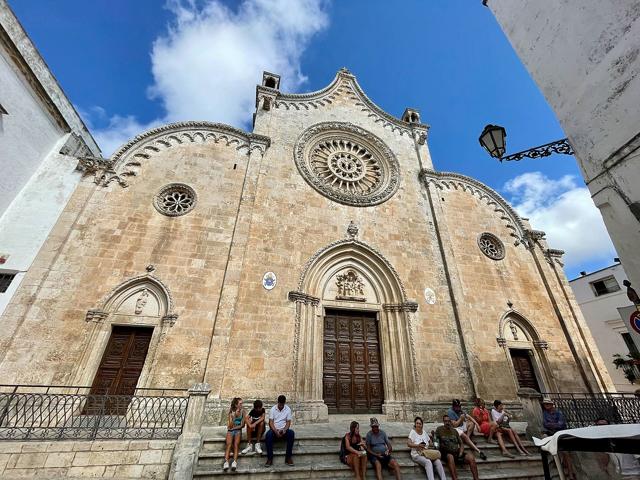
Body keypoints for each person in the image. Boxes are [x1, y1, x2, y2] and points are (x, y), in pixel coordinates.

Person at [434, 415, 479, 480]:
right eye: (445, 421)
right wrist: (437, 450)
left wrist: (461, 452)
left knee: (471, 457)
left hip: (456, 452)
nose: (447, 422)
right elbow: (436, 442)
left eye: (448, 421)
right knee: (450, 456)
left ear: (450, 422)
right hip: (446, 453)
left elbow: (461, 444)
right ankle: (455, 478)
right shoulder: (439, 429)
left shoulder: (454, 431)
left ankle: (476, 478)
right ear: (443, 422)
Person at [541, 397, 575, 480]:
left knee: (566, 453)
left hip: (561, 433)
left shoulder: (558, 413)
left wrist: (551, 425)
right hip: (551, 434)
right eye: (545, 404)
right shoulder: (545, 413)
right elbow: (545, 424)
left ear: (552, 404)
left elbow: (561, 424)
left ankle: (570, 473)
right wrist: (553, 425)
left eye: (548, 404)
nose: (546, 406)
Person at [407, 416, 446, 480]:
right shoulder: (413, 432)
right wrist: (418, 445)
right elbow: (408, 444)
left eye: (420, 424)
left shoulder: (424, 432)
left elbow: (430, 442)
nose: (418, 425)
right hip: (417, 454)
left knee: (438, 461)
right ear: (415, 424)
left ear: (422, 425)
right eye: (417, 423)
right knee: (428, 462)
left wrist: (433, 442)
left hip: (427, 453)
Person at [264, 395, 295, 467]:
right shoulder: (273, 409)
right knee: (268, 435)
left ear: (284, 403)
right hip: (274, 430)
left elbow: (288, 422)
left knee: (291, 433)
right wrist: (275, 431)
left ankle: (288, 458)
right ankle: (270, 459)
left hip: (283, 430)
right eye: (280, 404)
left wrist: (284, 430)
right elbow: (271, 422)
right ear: (278, 402)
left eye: (282, 404)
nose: (281, 406)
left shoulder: (288, 409)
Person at [223, 397, 246, 472]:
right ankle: (226, 462)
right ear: (236, 405)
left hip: (238, 430)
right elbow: (229, 426)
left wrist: (235, 428)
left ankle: (234, 462)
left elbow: (243, 425)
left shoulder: (243, 411)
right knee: (229, 445)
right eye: (240, 403)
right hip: (231, 430)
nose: (242, 405)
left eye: (242, 403)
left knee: (236, 445)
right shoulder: (231, 411)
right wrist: (234, 416)